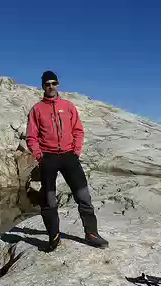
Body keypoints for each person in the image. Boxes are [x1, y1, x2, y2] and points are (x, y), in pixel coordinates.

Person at [26, 71, 109, 251]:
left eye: (54, 83)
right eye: (47, 84)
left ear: (58, 85)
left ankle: (92, 234)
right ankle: (54, 237)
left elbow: (78, 130)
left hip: (69, 156)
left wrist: (76, 151)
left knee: (84, 197)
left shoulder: (68, 106)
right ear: (43, 86)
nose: (51, 86)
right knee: (49, 201)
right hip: (48, 157)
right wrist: (40, 156)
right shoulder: (37, 109)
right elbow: (31, 137)